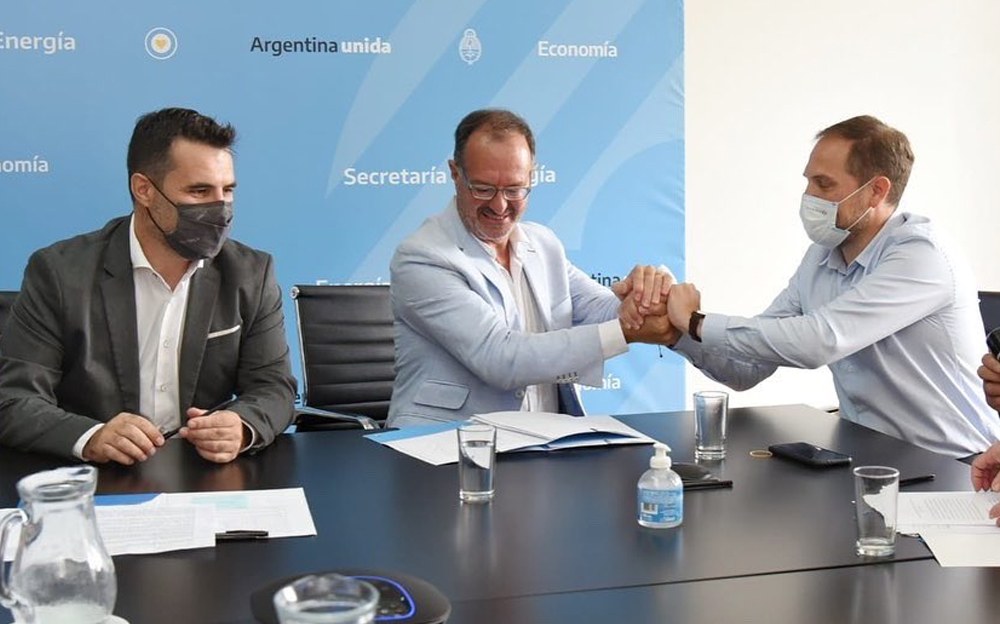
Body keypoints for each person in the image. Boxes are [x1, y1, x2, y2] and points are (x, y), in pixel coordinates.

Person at [664, 115, 999, 459]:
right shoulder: (821, 257)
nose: (809, 196)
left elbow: (819, 341)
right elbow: (748, 368)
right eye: (808, 182)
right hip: (868, 457)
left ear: (876, 191)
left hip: (958, 465)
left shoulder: (922, 254)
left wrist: (695, 321)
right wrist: (674, 333)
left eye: (824, 185)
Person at [0, 107, 296, 465]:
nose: (220, 208)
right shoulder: (59, 273)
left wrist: (242, 425)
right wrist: (92, 436)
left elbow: (273, 387)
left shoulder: (251, 273)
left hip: (205, 471)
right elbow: (14, 399)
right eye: (199, 191)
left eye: (227, 190)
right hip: (99, 474)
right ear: (144, 190)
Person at [387, 108, 674, 427]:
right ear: (455, 174)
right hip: (443, 443)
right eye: (483, 188)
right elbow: (500, 358)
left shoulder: (543, 243)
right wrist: (625, 331)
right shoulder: (421, 257)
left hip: (547, 440)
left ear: (531, 177)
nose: (499, 205)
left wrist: (642, 301)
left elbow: (599, 308)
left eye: (514, 189)